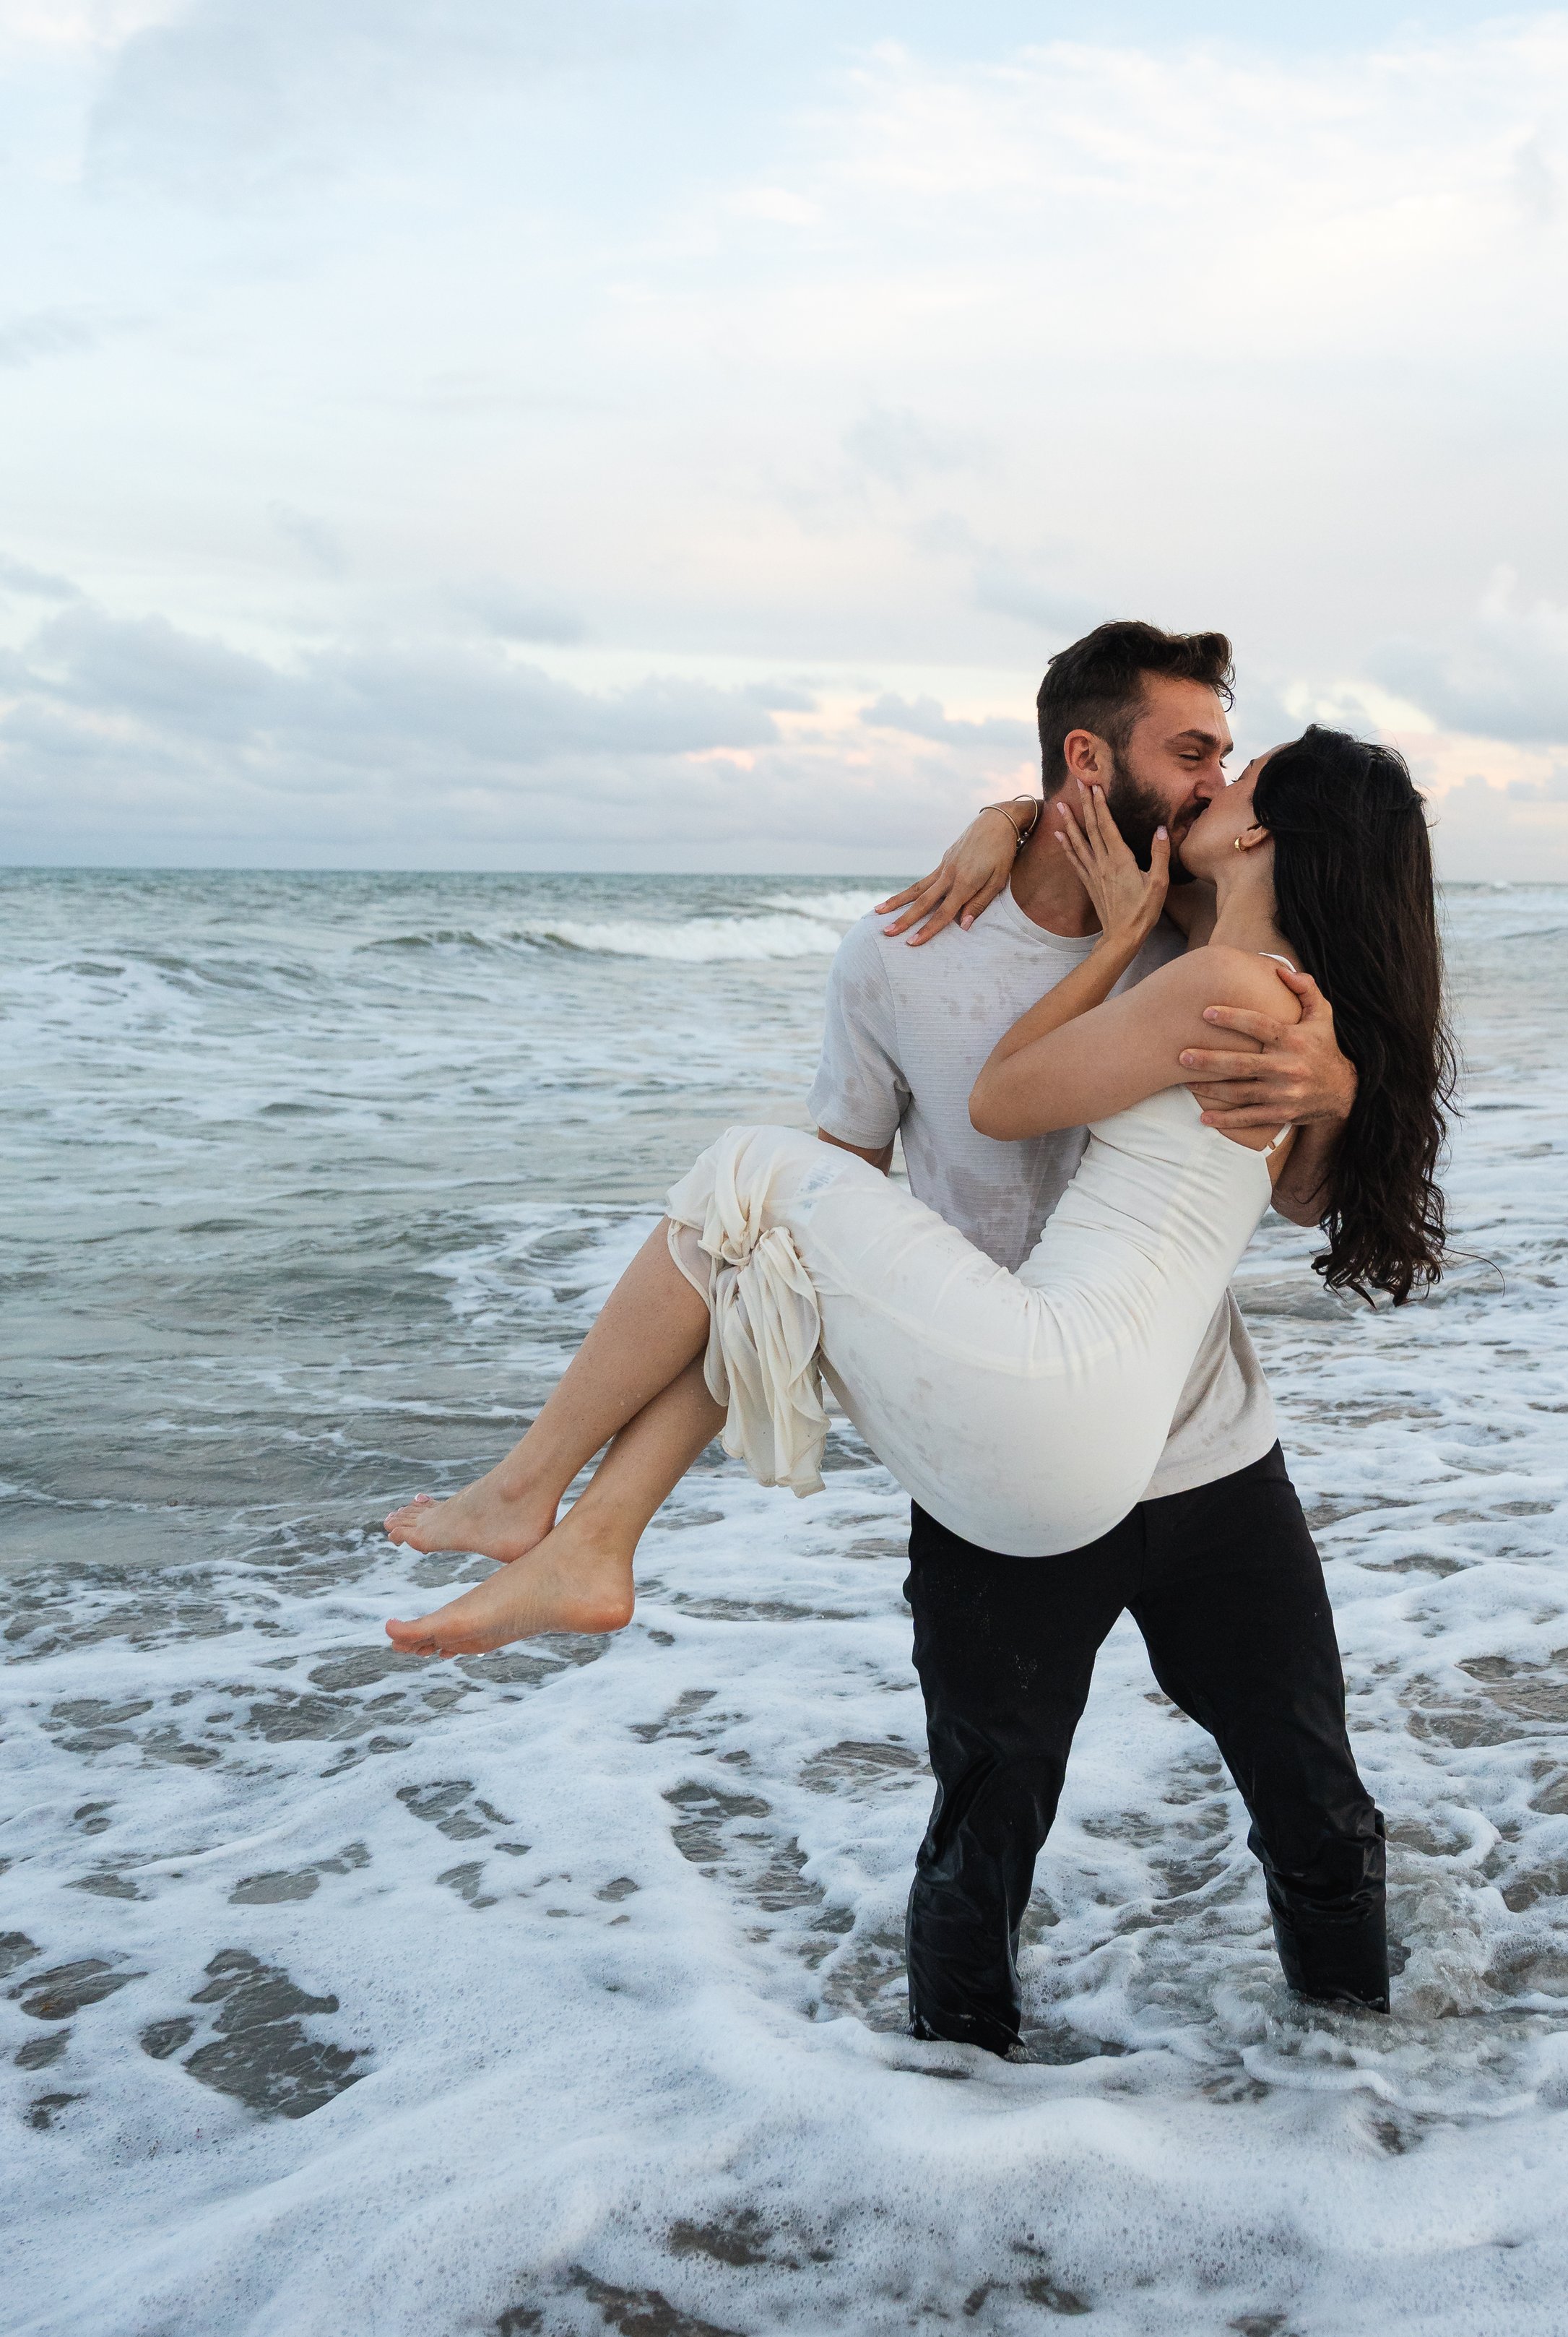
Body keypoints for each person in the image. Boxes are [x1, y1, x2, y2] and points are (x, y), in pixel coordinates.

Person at [382, 642, 1455, 2045]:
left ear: (1261, 827)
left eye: (1226, 764)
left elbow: (1265, 1171)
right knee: (980, 1829)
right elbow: (776, 1269)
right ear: (1087, 763)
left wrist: (1337, 1075)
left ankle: (1355, 2059)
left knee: (1310, 1793)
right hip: (999, 1423)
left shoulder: (1207, 953)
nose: (1207, 778)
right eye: (1190, 752)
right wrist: (1022, 841)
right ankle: (959, 2112)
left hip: (1183, 1448)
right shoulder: (910, 948)